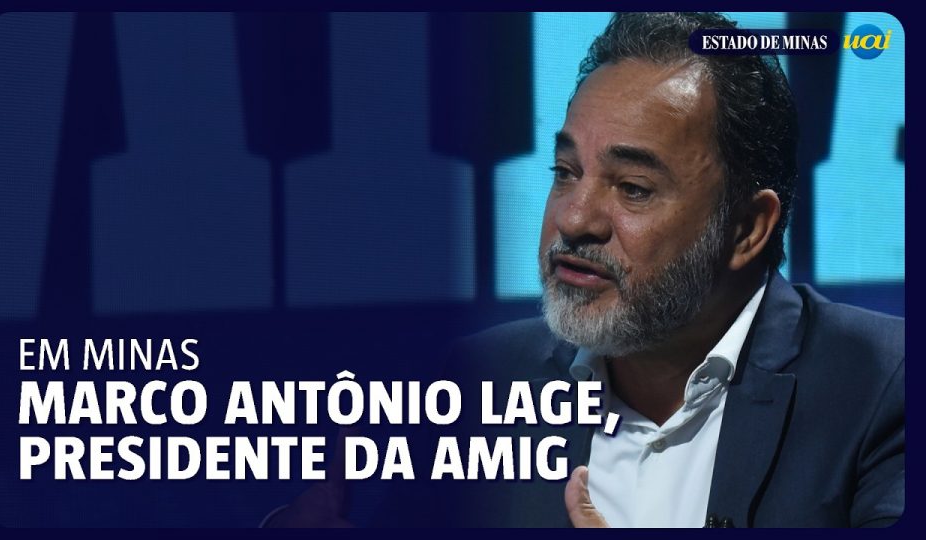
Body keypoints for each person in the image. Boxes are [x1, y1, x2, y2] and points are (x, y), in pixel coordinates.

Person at [266, 12, 904, 528]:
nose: (573, 219)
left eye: (632, 188)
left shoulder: (885, 385)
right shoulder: (481, 382)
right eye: (565, 172)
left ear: (747, 228)